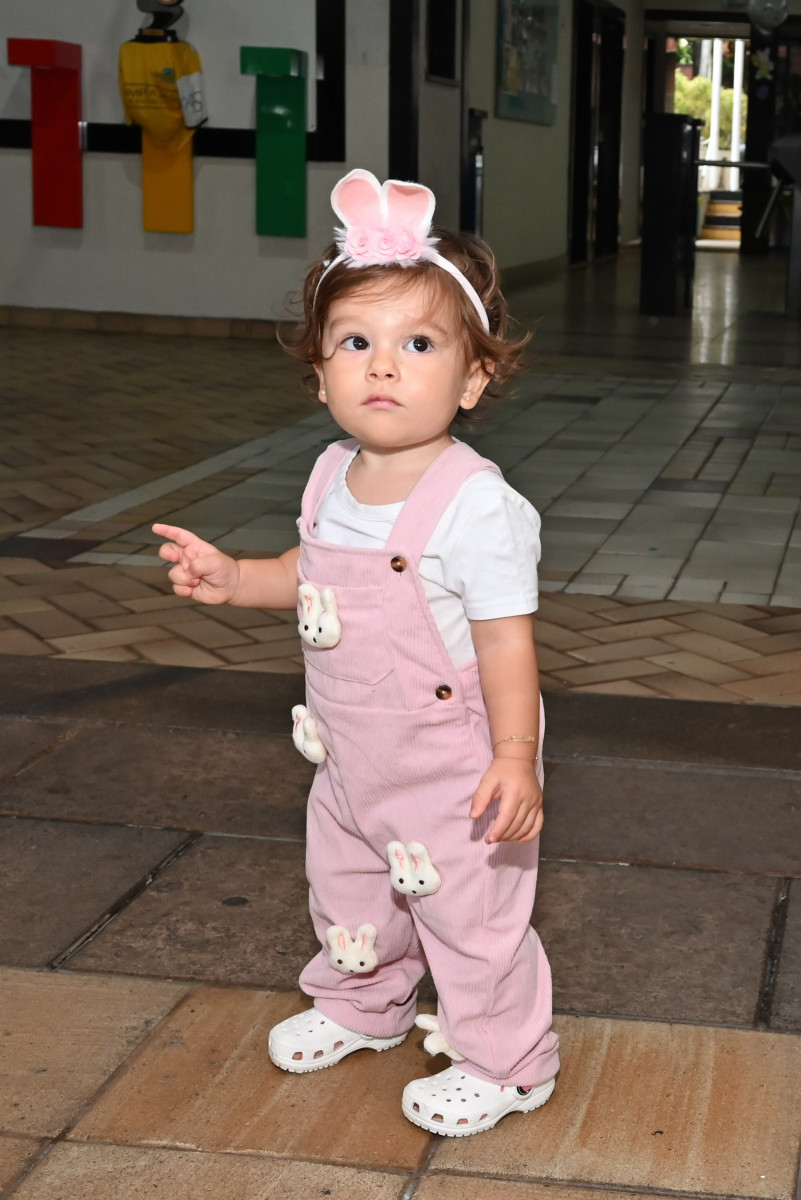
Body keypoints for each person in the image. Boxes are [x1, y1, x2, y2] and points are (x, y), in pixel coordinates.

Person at [154, 168, 559, 1137]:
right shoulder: (332, 473)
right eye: (355, 342)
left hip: (457, 772)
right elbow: (311, 570)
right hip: (349, 758)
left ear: (472, 378)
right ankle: (363, 1004)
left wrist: (513, 758)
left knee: (470, 918)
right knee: (349, 891)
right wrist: (237, 578)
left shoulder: (476, 506)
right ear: (320, 372)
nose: (383, 366)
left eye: (418, 344)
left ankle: (509, 1062)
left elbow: (506, 643)